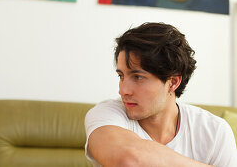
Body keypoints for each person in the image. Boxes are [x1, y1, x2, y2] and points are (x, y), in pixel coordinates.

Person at [84, 22, 237, 167]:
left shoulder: (215, 131)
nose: (123, 90)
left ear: (173, 82)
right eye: (121, 76)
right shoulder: (105, 114)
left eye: (137, 77)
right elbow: (129, 160)